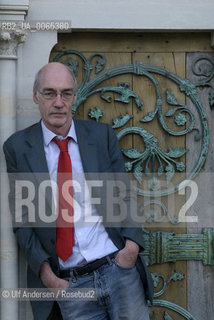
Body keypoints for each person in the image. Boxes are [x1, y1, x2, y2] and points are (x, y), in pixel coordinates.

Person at [3, 62, 153, 320]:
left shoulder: (102, 135)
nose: (58, 102)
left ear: (74, 97)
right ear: (36, 96)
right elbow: (23, 219)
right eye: (50, 93)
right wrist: (48, 277)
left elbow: (125, 193)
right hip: (70, 285)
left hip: (117, 270)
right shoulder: (18, 147)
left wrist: (130, 249)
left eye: (66, 93)